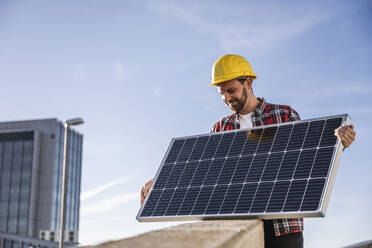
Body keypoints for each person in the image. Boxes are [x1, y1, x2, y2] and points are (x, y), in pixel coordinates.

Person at [140, 54, 356, 248]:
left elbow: (309, 155)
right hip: (236, 221)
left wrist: (339, 143)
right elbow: (202, 170)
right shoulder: (220, 127)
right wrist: (159, 183)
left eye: (231, 90)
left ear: (248, 83)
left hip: (283, 226)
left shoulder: (284, 115)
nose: (226, 98)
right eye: (221, 93)